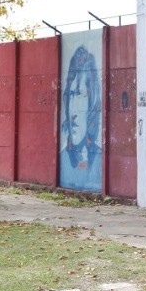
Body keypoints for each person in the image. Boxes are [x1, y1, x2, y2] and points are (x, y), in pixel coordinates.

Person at [60, 45, 102, 192]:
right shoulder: (63, 158)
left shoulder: (100, 159)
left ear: (92, 102)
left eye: (80, 95)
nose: (74, 111)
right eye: (71, 95)